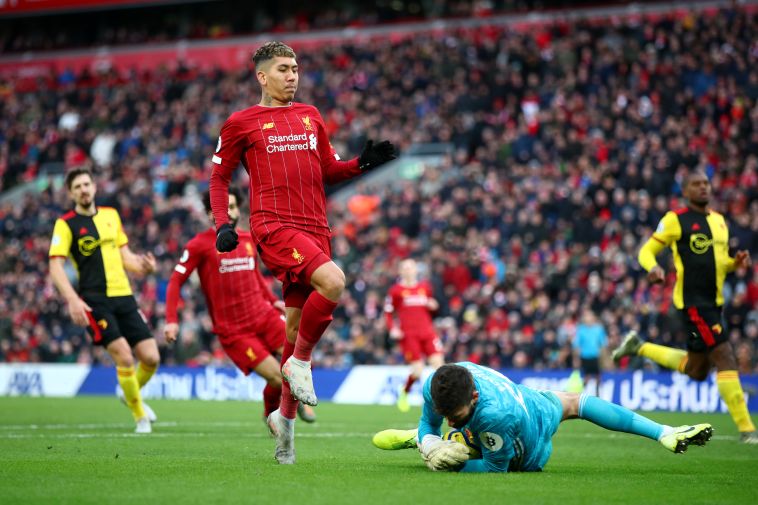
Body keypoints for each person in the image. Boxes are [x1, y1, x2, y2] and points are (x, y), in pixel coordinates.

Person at [208, 41, 396, 464]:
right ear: (262, 76)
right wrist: (223, 224)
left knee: (292, 334)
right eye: (283, 69)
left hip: (315, 228)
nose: (292, 75)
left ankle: (285, 429)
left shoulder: (311, 115)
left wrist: (361, 164)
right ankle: (301, 365)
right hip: (274, 225)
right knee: (334, 281)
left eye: (295, 68)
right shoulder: (241, 122)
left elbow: (328, 168)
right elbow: (219, 178)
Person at [612, 170, 757, 444]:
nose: (703, 187)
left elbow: (720, 262)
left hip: (714, 302)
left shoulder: (719, 221)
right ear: (685, 190)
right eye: (696, 184)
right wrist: (652, 267)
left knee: (697, 370)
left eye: (706, 183)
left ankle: (639, 347)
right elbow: (645, 251)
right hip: (692, 303)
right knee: (724, 355)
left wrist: (735, 263)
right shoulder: (675, 220)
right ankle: (748, 430)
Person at [372, 363, 713, 472]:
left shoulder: (493, 416)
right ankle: (664, 432)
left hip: (529, 451)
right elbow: (431, 420)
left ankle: (447, 443)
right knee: (576, 402)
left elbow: (494, 469)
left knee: (464, 443)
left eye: (456, 416)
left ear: (474, 397)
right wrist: (430, 438)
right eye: (446, 414)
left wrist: (452, 465)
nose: (449, 418)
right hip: (532, 401)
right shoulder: (437, 385)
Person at [163, 188, 315, 423]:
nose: (230, 213)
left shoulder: (247, 239)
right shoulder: (198, 245)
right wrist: (172, 320)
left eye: (232, 207)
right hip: (235, 331)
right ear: (211, 213)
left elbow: (254, 275)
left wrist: (273, 300)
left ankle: (289, 401)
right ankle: (272, 414)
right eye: (223, 209)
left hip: (264, 315)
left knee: (300, 358)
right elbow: (175, 281)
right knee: (277, 378)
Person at [48, 168, 159, 434]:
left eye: (86, 184)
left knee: (151, 357)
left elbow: (126, 258)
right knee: (124, 356)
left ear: (95, 187)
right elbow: (55, 266)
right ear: (71, 193)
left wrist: (144, 268)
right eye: (77, 187)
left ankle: (128, 392)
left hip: (124, 296)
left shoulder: (111, 215)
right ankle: (140, 417)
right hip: (94, 301)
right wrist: (72, 299)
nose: (83, 190)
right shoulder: (65, 224)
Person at [384, 258, 444, 412]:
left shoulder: (425, 287)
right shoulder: (396, 291)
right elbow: (388, 313)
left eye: (410, 267)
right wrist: (392, 329)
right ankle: (405, 391)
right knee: (417, 371)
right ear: (400, 271)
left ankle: (440, 401)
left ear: (416, 270)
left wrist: (434, 306)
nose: (408, 270)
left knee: (440, 367)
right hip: (409, 336)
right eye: (405, 268)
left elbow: (431, 308)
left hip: (428, 333)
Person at [571, 308, 607, 395]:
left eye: (590, 316)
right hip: (585, 356)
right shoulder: (581, 330)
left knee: (598, 376)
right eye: (586, 317)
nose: (588, 319)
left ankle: (598, 394)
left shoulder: (599, 329)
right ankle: (580, 394)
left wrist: (604, 357)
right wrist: (576, 358)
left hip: (596, 356)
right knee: (587, 377)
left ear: (593, 318)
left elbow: (603, 343)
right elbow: (576, 344)